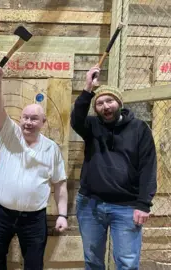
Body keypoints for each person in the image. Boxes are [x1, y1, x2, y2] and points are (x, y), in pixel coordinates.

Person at [71, 66, 157, 270]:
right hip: (90, 205)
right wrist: (87, 89)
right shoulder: (92, 126)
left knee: (127, 264)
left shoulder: (139, 129)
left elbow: (148, 167)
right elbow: (76, 120)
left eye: (109, 101)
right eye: (99, 103)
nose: (105, 106)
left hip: (127, 207)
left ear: (119, 103)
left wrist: (144, 204)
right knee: (92, 261)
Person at [0, 64, 68, 269]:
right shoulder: (9, 133)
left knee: (33, 264)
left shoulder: (51, 149)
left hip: (34, 218)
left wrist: (62, 214)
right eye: (25, 117)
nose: (28, 122)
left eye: (34, 119)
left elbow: (60, 185)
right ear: (20, 118)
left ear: (43, 122)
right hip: (1, 213)